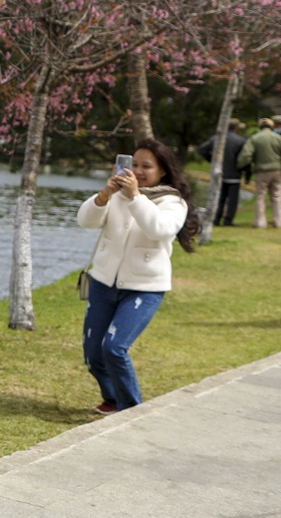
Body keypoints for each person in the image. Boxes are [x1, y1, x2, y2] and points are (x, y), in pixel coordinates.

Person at [76, 139, 197, 414]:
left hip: (145, 288)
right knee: (94, 353)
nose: (139, 172)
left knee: (114, 347)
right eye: (135, 165)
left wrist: (135, 197)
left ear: (162, 170)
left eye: (147, 166)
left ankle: (132, 410)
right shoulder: (117, 193)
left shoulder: (173, 201)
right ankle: (112, 398)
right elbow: (86, 221)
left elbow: (160, 229)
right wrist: (104, 195)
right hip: (103, 283)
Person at [238, 118, 281, 228]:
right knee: (277, 196)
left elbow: (246, 155)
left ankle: (260, 222)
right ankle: (279, 221)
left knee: (261, 196)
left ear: (260, 127)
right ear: (272, 127)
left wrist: (240, 165)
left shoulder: (255, 138)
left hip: (261, 171)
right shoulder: (279, 138)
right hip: (277, 170)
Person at [207, 118, 246, 227]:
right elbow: (245, 159)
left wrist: (212, 161)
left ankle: (216, 219)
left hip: (219, 173)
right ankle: (228, 221)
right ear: (237, 128)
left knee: (220, 198)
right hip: (235, 174)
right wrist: (246, 173)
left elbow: (202, 149)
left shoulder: (216, 139)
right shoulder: (241, 141)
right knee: (232, 200)